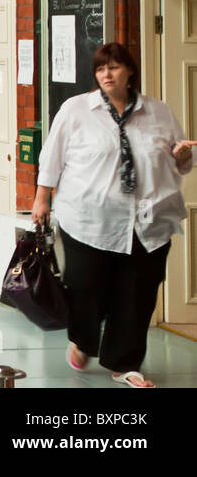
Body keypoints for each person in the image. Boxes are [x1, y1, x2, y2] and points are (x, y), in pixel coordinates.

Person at [33, 42, 194, 387]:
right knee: (86, 289)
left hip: (148, 220)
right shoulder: (76, 110)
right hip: (88, 218)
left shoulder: (158, 111)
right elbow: (52, 157)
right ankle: (83, 340)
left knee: (137, 294)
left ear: (130, 71)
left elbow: (181, 159)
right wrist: (41, 199)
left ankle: (125, 364)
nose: (106, 74)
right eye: (100, 68)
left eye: (114, 67)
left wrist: (182, 157)